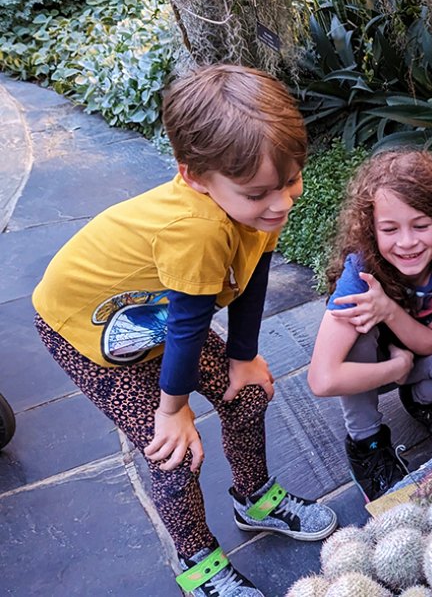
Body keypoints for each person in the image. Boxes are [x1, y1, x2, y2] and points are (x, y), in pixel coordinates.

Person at [32, 64, 337, 597]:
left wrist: (243, 357)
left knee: (245, 396)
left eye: (291, 180)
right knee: (173, 455)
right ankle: (196, 561)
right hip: (85, 332)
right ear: (194, 175)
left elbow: (252, 275)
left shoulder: (255, 207)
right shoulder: (194, 231)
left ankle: (254, 499)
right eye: (261, 191)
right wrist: (172, 412)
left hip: (158, 319)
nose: (283, 203)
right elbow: (189, 324)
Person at [307, 149, 432, 502]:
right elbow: (322, 379)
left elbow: (430, 343)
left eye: (421, 225)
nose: (407, 242)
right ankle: (367, 444)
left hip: (414, 359)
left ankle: (422, 400)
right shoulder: (360, 275)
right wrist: (395, 366)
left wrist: (390, 311)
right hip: (368, 369)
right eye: (390, 229)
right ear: (370, 229)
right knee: (359, 326)